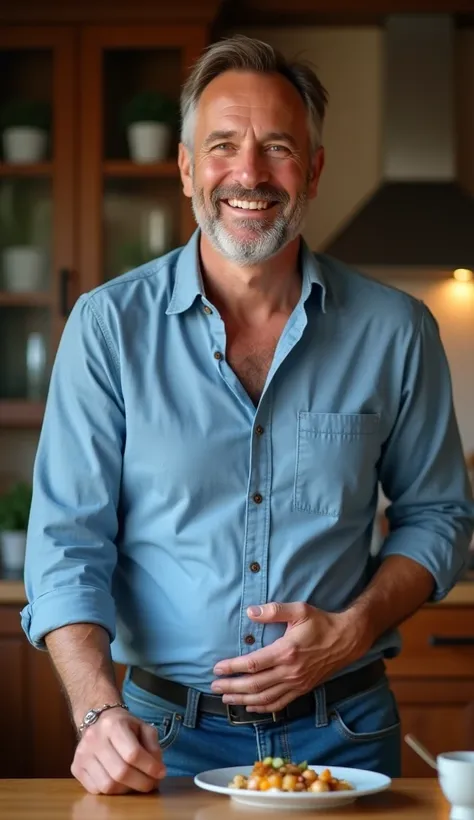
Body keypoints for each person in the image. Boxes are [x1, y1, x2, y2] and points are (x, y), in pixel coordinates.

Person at [22, 35, 474, 796]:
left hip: (346, 730)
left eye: (278, 148)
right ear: (186, 167)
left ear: (315, 170)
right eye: (224, 145)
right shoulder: (107, 327)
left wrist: (354, 628)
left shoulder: (397, 331)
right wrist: (97, 713)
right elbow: (67, 545)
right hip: (158, 739)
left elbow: (439, 517)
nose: (250, 173)